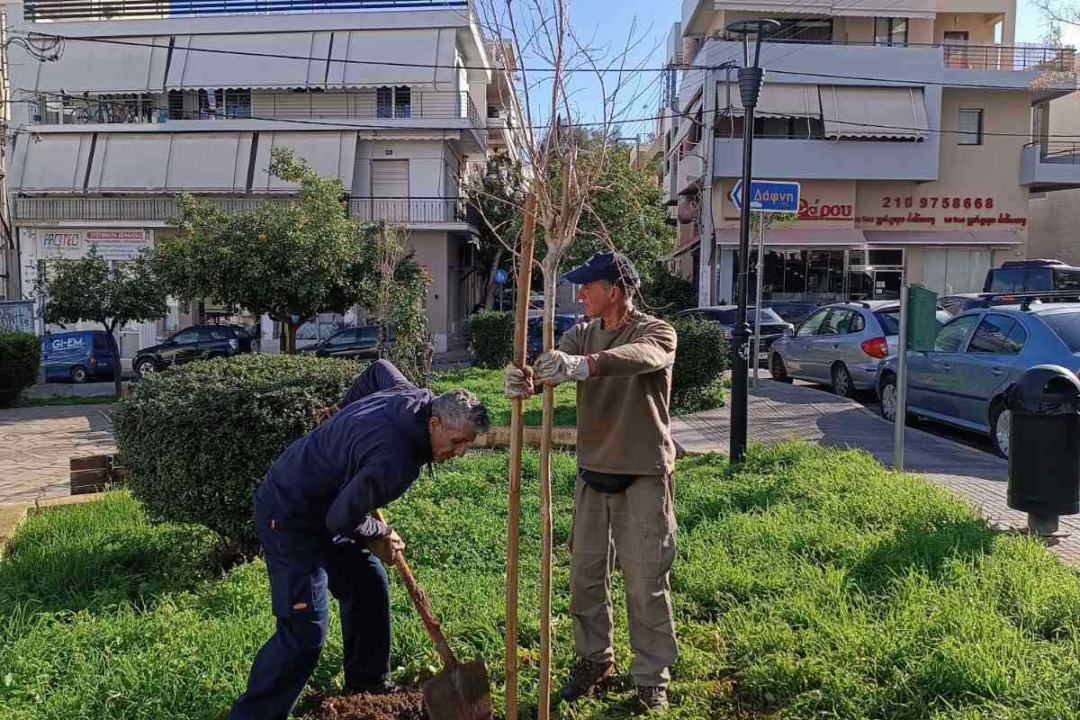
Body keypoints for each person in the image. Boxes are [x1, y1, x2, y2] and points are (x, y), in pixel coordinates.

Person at [230, 359, 491, 720]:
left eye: (468, 444)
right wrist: (379, 532)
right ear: (434, 423)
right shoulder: (395, 462)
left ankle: (367, 684)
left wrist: (340, 411)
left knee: (367, 580)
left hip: (328, 502)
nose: (459, 452)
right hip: (290, 514)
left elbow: (379, 368)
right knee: (305, 633)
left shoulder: (410, 395)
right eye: (457, 441)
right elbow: (342, 519)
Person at [504, 251, 679, 713]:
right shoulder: (579, 333)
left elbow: (642, 358)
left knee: (645, 581)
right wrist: (526, 380)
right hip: (592, 474)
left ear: (615, 291)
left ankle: (650, 677)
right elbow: (552, 368)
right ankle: (593, 660)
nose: (580, 294)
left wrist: (587, 365)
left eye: (588, 286)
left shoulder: (656, 331)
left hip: (642, 474)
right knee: (584, 579)